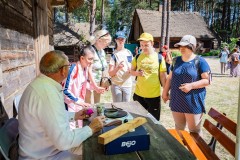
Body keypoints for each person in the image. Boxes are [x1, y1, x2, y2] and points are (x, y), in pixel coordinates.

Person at [18, 50, 105, 160]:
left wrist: (75, 115)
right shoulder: (47, 93)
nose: (70, 67)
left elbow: (49, 117)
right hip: (44, 156)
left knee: (93, 146)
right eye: (68, 65)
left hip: (46, 149)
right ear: (63, 70)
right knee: (95, 151)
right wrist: (91, 128)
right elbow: (63, 141)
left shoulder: (43, 84)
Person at [162, 35, 211, 135]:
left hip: (193, 102)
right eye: (180, 46)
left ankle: (195, 150)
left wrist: (191, 86)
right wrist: (164, 92)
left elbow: (207, 81)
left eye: (185, 46)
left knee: (194, 131)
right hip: (176, 99)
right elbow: (170, 78)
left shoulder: (200, 61)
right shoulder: (176, 60)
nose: (181, 48)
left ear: (192, 47)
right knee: (179, 128)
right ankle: (181, 150)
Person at [131, 32, 167, 121]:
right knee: (138, 120)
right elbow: (131, 71)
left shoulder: (159, 58)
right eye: (141, 45)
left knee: (154, 121)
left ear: (152, 43)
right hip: (139, 95)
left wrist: (165, 92)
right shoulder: (138, 56)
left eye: (146, 45)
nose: (143, 47)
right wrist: (137, 73)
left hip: (154, 96)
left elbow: (163, 76)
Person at [63, 46, 96, 129]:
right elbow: (65, 90)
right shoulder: (73, 69)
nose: (91, 62)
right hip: (69, 102)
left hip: (78, 101)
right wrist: (78, 101)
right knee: (71, 126)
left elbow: (83, 84)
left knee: (80, 123)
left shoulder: (84, 69)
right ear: (82, 58)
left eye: (93, 59)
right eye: (90, 59)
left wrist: (96, 88)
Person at [85, 29, 112, 104]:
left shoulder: (102, 51)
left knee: (97, 104)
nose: (107, 45)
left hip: (99, 82)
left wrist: (105, 82)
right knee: (88, 105)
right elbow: (88, 70)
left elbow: (104, 67)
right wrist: (94, 85)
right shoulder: (89, 51)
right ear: (99, 40)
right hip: (89, 83)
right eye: (107, 42)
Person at [108, 31, 133, 102]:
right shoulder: (114, 54)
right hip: (116, 85)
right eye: (119, 39)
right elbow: (110, 73)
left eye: (122, 39)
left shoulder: (129, 53)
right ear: (115, 40)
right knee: (117, 107)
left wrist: (131, 70)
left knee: (126, 108)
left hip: (127, 84)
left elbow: (133, 67)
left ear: (125, 40)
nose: (121, 41)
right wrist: (117, 68)